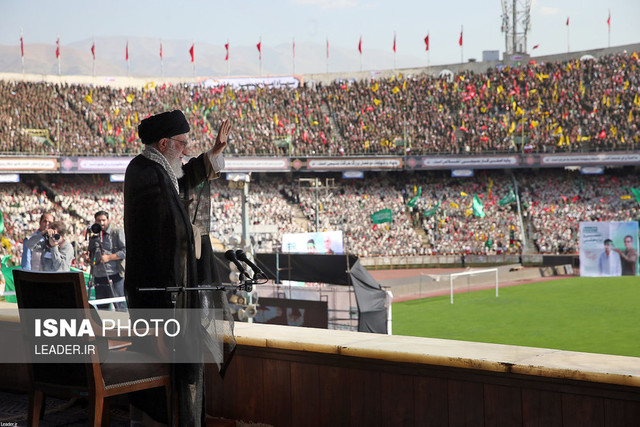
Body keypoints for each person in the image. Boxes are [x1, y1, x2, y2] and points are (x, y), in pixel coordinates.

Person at [124, 110, 230, 426]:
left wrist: (213, 155)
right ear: (164, 142)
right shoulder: (145, 173)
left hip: (164, 291)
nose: (186, 150)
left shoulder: (155, 169)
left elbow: (180, 183)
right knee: (166, 368)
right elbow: (166, 228)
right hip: (158, 295)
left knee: (176, 369)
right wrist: (194, 235)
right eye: (182, 144)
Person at [87, 210, 126, 311]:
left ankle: (123, 326)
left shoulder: (117, 232)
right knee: (102, 308)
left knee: (119, 306)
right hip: (98, 275)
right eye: (98, 220)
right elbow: (91, 252)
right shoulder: (94, 234)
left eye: (103, 220)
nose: (101, 223)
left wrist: (109, 257)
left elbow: (126, 251)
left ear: (108, 220)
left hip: (115, 275)